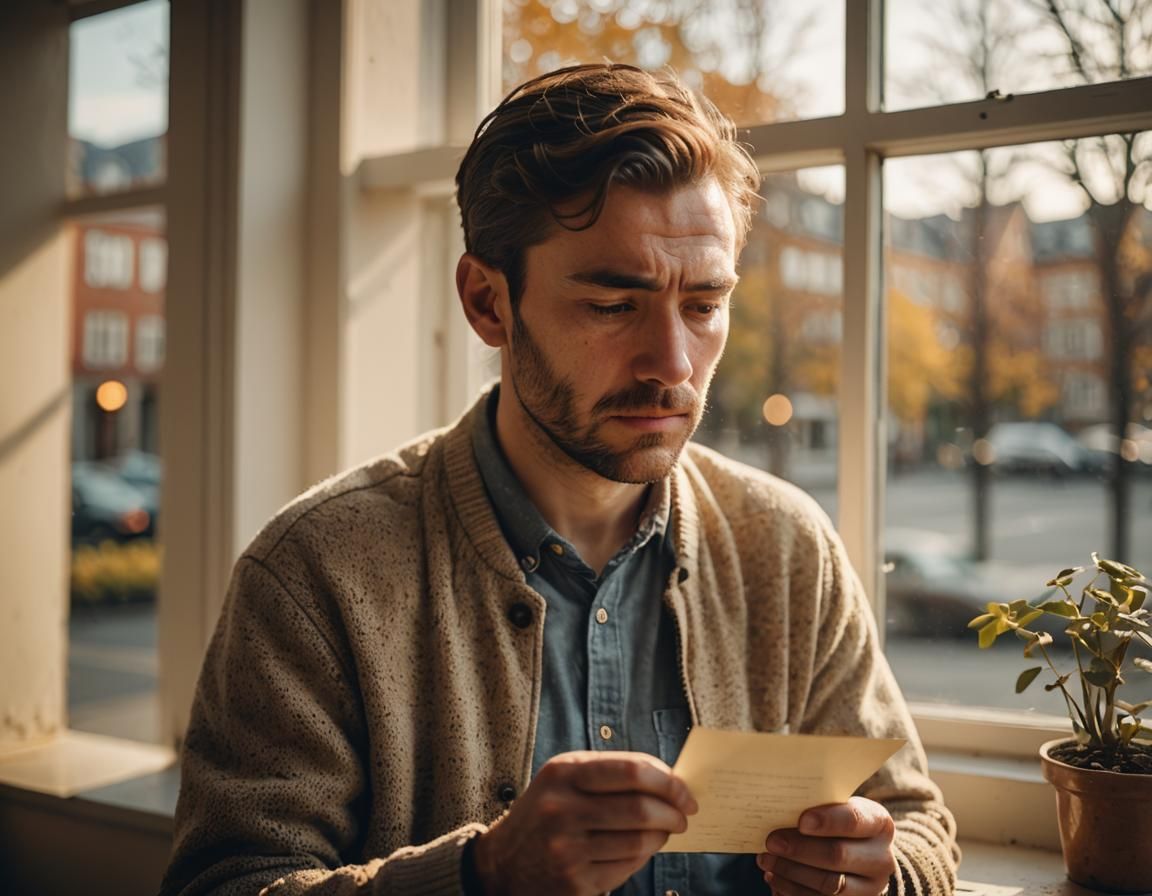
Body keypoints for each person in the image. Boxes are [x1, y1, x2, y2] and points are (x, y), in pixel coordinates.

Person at [161, 63, 959, 896]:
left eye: (704, 304)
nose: (673, 366)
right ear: (487, 302)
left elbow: (918, 822)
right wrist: (483, 877)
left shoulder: (788, 544)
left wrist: (885, 871)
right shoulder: (315, 573)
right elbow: (222, 886)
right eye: (614, 306)